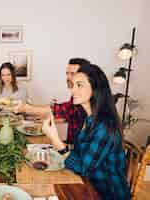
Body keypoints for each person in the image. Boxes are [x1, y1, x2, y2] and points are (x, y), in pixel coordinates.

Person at [42, 64, 130, 199]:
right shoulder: (88, 118)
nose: (73, 91)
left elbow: (82, 168)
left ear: (95, 88)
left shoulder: (105, 125)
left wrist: (56, 140)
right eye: (73, 85)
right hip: (87, 184)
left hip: (106, 194)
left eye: (80, 85)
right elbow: (79, 154)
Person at [16, 58, 90, 144]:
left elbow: (61, 109)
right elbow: (69, 114)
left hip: (78, 149)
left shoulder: (86, 101)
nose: (68, 77)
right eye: (67, 73)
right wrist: (49, 119)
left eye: (73, 74)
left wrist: (26, 108)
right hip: (71, 144)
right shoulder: (76, 95)